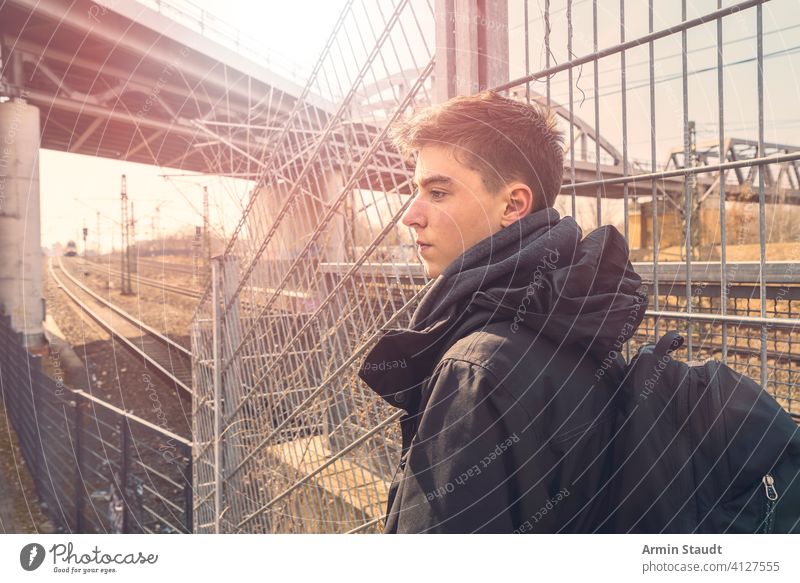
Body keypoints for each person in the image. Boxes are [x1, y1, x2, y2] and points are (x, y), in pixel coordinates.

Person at [358, 90, 648, 533]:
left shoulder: (476, 370)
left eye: (437, 191)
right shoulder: (573, 318)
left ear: (513, 205)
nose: (411, 215)